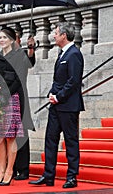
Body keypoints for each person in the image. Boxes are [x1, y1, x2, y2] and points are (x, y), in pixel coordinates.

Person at [29, 22, 84, 188]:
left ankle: (72, 177)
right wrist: (51, 94)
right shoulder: (62, 54)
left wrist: (58, 96)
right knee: (50, 140)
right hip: (56, 105)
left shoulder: (74, 54)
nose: (53, 35)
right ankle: (48, 176)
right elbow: (58, 80)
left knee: (71, 141)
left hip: (68, 106)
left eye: (56, 33)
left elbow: (74, 81)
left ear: (63, 36)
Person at [0, 27, 31, 186]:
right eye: (0, 37)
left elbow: (19, 80)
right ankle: (2, 170)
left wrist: (5, 96)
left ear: (12, 39)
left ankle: (10, 171)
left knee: (10, 136)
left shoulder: (19, 56)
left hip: (11, 99)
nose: (2, 40)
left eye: (5, 37)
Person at [13, 30, 36, 181]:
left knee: (21, 134)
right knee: (8, 135)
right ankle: (9, 167)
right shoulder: (2, 55)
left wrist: (31, 49)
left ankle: (23, 169)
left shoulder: (22, 54)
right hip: (6, 98)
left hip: (20, 96)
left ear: (19, 41)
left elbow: (30, 61)